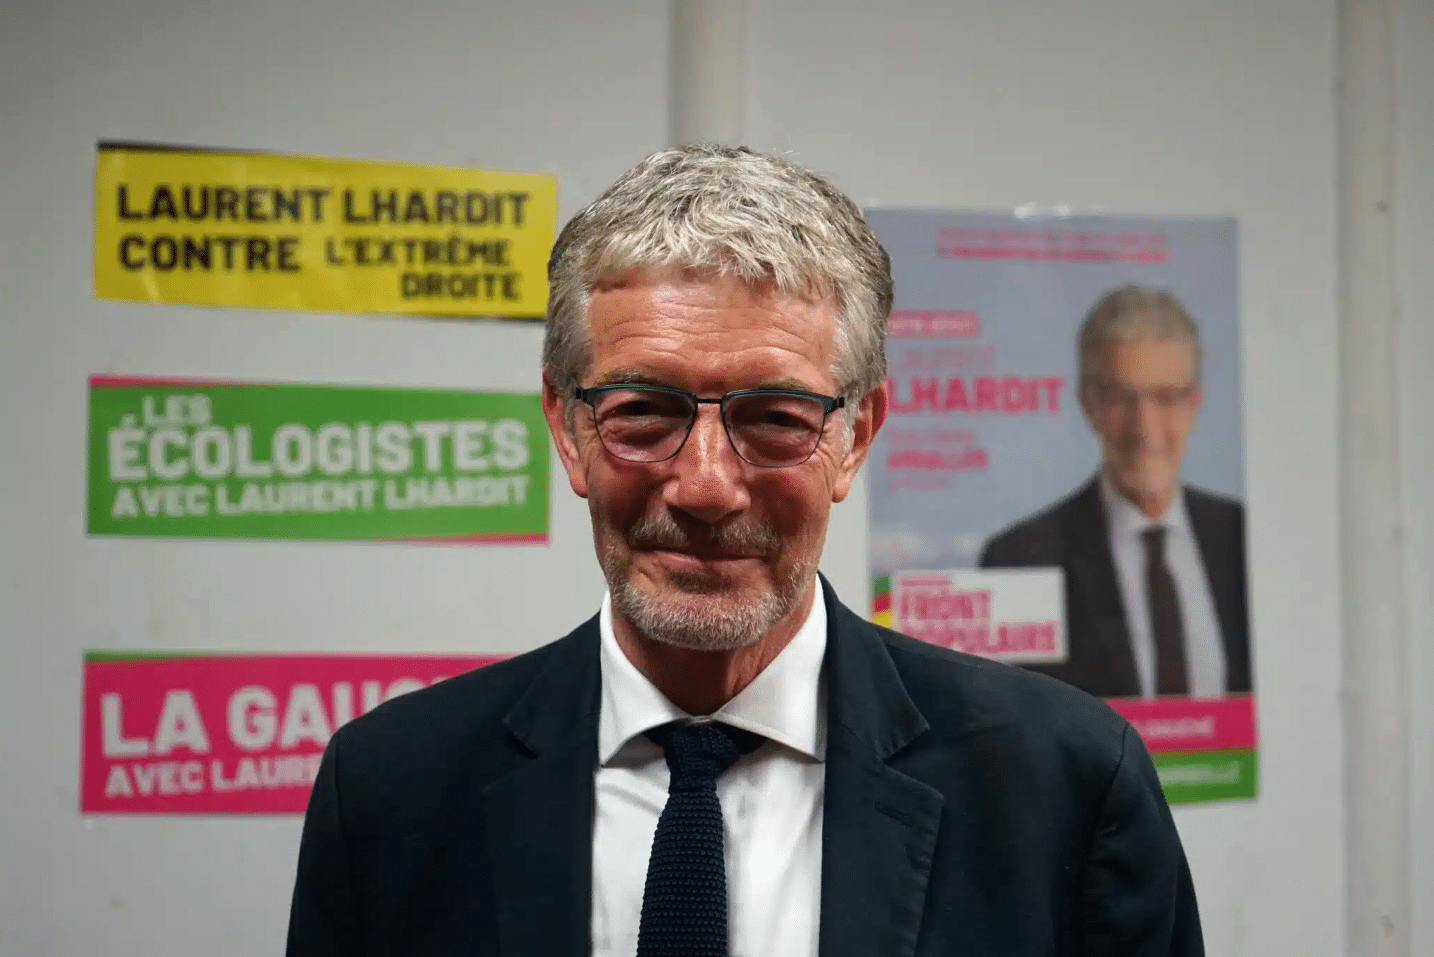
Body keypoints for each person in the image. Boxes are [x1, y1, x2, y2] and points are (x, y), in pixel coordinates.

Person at [287, 147, 1202, 956]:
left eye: (775, 419)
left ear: (857, 435)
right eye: (643, 412)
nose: (708, 486)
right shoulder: (388, 794)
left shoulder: (1068, 789)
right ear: (567, 428)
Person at [980, 284, 1251, 700]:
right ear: (1088, 403)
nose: (1145, 428)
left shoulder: (1242, 538)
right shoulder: (1020, 557)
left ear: (1195, 403)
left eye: (1166, 397)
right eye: (1123, 397)